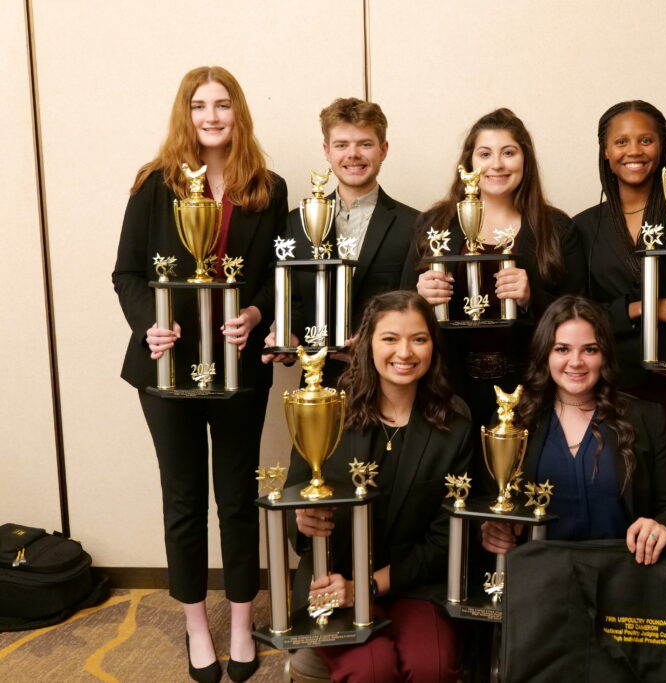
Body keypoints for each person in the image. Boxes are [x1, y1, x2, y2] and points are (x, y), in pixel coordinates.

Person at [112, 66, 287, 682]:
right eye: (199, 106)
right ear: (184, 114)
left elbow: (273, 272)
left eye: (223, 105)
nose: (211, 117)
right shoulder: (153, 185)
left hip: (239, 367)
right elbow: (127, 273)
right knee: (183, 500)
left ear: (239, 112)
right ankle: (195, 625)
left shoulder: (268, 188)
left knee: (236, 497)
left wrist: (257, 312)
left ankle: (241, 620)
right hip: (167, 369)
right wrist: (146, 327)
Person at [287, 291, 473, 682]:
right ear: (366, 341)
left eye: (418, 339)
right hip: (334, 581)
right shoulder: (326, 409)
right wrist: (302, 522)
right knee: (370, 670)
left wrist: (368, 586)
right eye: (390, 338)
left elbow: (445, 538)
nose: (404, 352)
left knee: (432, 667)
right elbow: (294, 499)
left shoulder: (455, 421)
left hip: (414, 581)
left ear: (433, 347)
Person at [573, 101, 666, 544]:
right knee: (615, 506)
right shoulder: (584, 228)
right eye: (621, 141)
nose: (633, 150)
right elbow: (577, 313)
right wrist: (647, 307)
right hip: (615, 390)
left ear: (662, 147)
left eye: (645, 139)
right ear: (604, 151)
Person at [480, 295, 666, 563]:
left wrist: (661, 529)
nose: (576, 361)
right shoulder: (512, 421)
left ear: (604, 354)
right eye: (562, 349)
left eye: (590, 349)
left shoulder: (647, 418)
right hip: (539, 581)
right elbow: (492, 503)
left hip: (625, 577)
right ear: (545, 352)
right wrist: (491, 531)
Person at [408, 108, 586, 427]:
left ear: (525, 160)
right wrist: (418, 297)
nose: (497, 164)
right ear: (469, 164)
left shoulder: (557, 228)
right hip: (446, 386)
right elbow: (397, 310)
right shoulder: (433, 224)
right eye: (485, 153)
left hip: (534, 385)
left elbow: (582, 311)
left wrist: (532, 296)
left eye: (509, 153)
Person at [263, 97, 419, 385]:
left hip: (390, 382)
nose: (353, 154)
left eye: (365, 144)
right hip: (318, 382)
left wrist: (375, 340)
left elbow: (416, 309)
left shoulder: (414, 225)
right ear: (327, 151)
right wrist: (291, 335)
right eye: (342, 145)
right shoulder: (296, 221)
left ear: (383, 150)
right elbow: (295, 300)